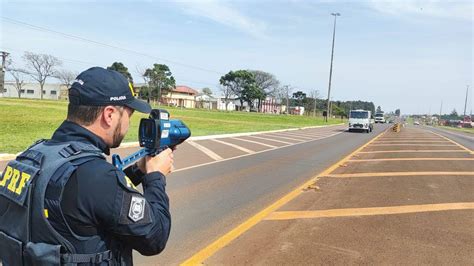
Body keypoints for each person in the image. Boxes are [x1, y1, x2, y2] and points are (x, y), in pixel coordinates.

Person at [0, 67, 173, 265]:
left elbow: (83, 200)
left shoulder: (31, 157)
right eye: (128, 114)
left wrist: (138, 171)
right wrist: (156, 176)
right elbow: (155, 237)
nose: (128, 124)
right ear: (109, 115)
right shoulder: (95, 177)